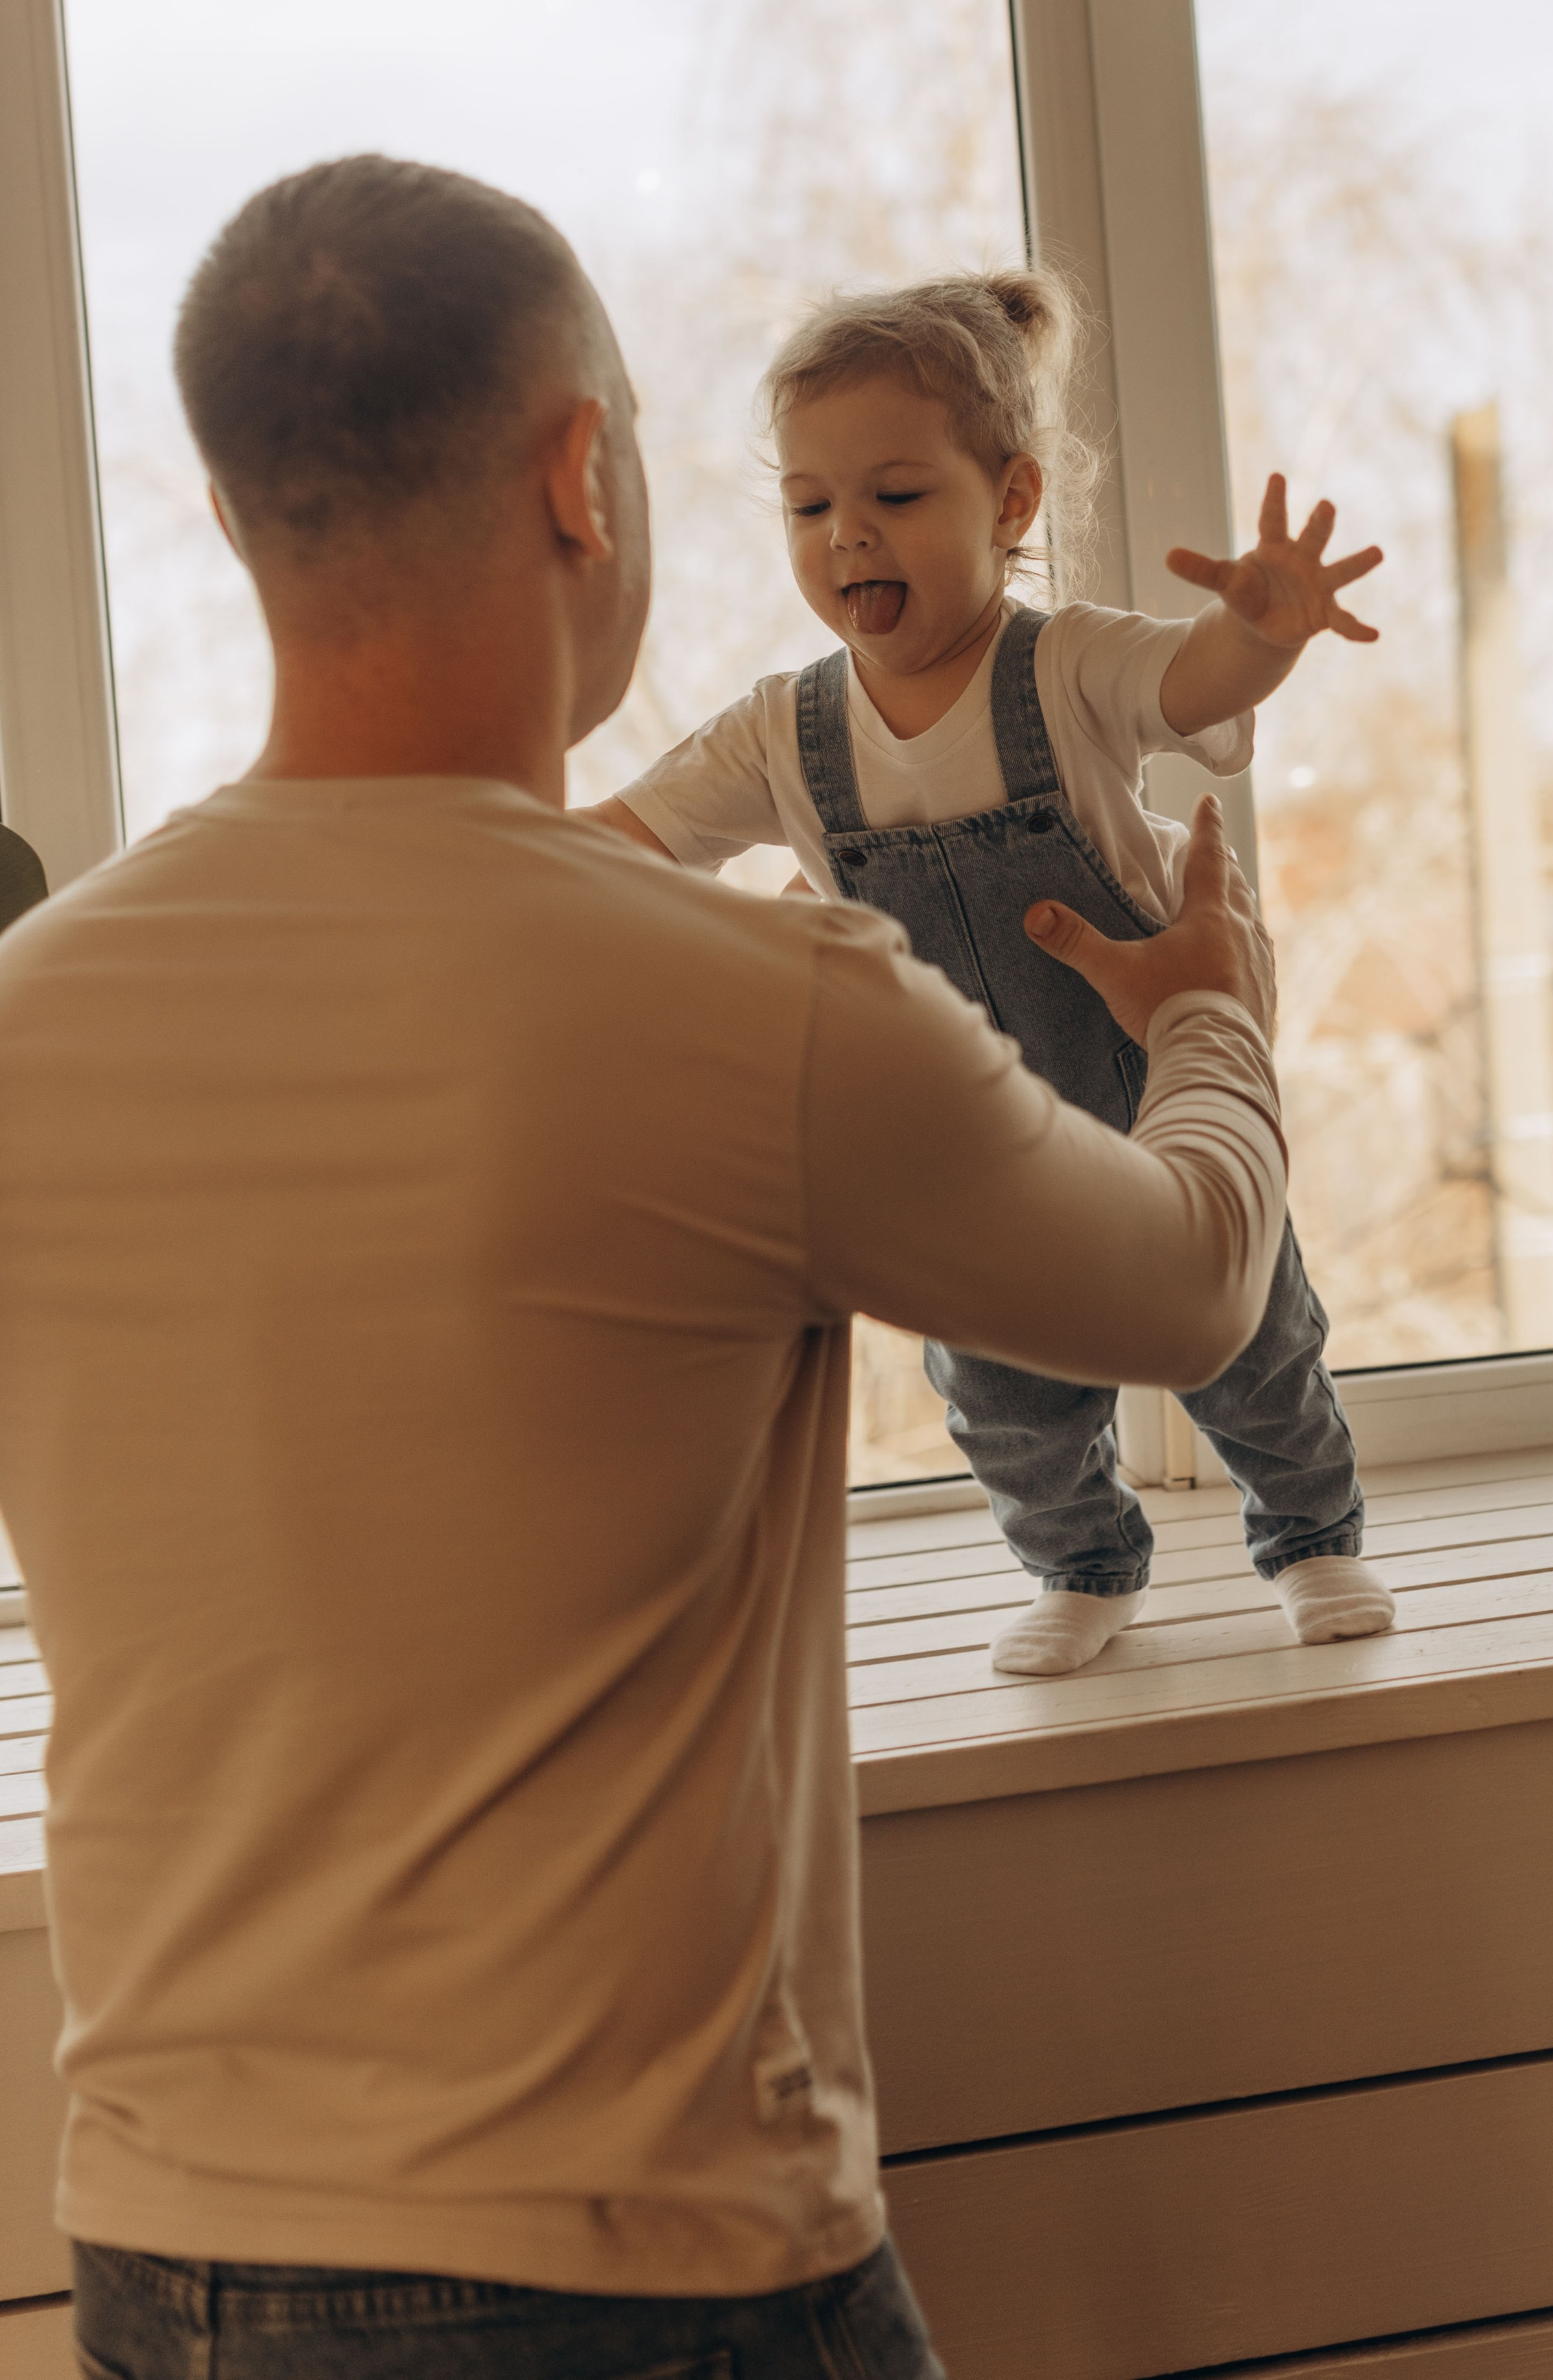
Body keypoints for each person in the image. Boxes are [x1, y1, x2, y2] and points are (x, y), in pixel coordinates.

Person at [0, 159, 1284, 2380]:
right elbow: (1191, 1293)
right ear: (582, 476)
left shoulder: (30, 1015)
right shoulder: (757, 1004)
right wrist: (1207, 1017)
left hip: (160, 2262)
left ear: (230, 513)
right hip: (645, 2274)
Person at [589, 269, 1396, 1678]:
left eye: (896, 495)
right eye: (807, 506)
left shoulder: (1063, 666)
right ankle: (1079, 1564)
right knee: (1000, 1384)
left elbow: (1192, 681)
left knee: (1252, 1337)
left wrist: (1260, 631)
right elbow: (621, 844)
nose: (846, 534)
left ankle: (1312, 1537)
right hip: (961, 1133)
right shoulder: (781, 735)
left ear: (1011, 502)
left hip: (1149, 1085)